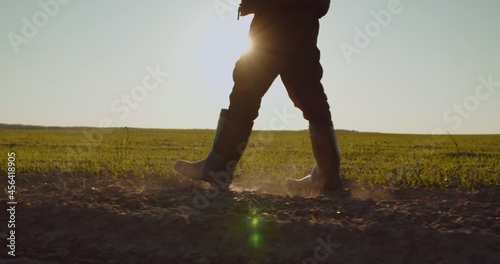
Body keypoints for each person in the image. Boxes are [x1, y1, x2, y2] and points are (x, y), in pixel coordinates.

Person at [175, 0, 342, 195]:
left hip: (279, 8)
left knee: (249, 77)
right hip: (303, 9)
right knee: (305, 86)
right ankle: (327, 175)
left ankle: (219, 166)